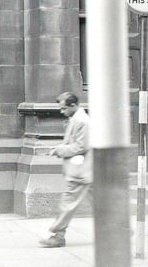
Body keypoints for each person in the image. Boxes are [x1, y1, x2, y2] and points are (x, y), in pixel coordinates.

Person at [39, 91, 92, 248]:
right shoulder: (76, 119)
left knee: (67, 203)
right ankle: (121, 228)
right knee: (100, 203)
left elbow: (82, 146)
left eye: (63, 109)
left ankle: (58, 235)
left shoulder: (82, 121)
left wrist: (59, 150)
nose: (62, 112)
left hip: (80, 171)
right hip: (85, 171)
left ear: (73, 105)